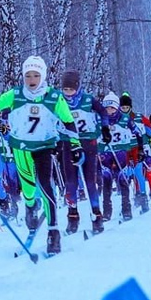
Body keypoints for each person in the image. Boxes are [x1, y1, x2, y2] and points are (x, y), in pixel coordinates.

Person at [0, 56, 82, 256]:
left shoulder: (54, 97)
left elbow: (69, 122)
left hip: (44, 146)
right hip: (20, 148)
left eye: (36, 75)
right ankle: (30, 206)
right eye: (28, 75)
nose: (32, 79)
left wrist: (76, 145)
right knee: (28, 189)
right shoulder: (15, 94)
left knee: (46, 186)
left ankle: (53, 232)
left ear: (43, 76)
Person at [56, 71, 104, 234]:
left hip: (88, 142)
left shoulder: (88, 100)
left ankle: (97, 215)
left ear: (77, 87)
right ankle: (73, 216)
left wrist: (103, 127)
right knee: (71, 182)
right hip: (68, 143)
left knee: (90, 181)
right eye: (65, 90)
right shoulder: (59, 101)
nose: (68, 93)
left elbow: (103, 112)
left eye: (71, 89)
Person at [98, 93, 145, 222]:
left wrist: (140, 149)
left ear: (117, 107)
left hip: (121, 153)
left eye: (112, 108)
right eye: (106, 108)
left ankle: (126, 209)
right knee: (106, 181)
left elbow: (138, 133)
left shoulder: (125, 119)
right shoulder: (100, 119)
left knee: (122, 180)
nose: (109, 111)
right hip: (105, 153)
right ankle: (107, 211)